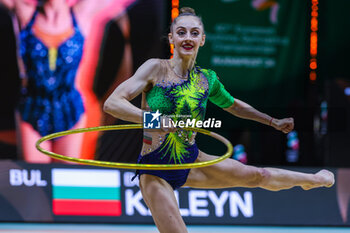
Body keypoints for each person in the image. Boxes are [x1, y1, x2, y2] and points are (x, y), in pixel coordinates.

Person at [103, 7, 335, 233]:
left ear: (202, 40)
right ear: (171, 37)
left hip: (192, 161)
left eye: (194, 33)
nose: (187, 37)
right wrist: (157, 121)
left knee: (258, 176)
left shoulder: (207, 79)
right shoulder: (155, 68)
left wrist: (272, 121)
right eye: (181, 32)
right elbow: (112, 104)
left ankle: (311, 179)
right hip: (155, 168)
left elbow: (234, 105)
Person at [0, 0, 132, 163]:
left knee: (66, 177)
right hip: (33, 107)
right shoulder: (25, 12)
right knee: (36, 178)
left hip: (69, 109)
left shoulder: (80, 14)